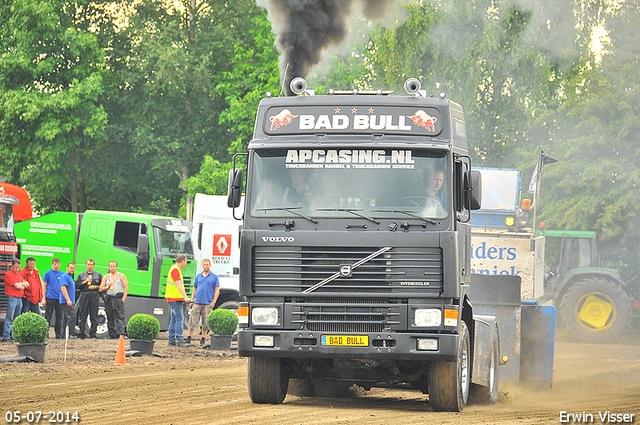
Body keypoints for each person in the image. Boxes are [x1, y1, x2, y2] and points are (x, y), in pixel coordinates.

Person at [187, 258, 220, 347]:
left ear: (210, 265)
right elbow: (194, 288)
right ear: (202, 266)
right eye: (204, 264)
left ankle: (203, 339)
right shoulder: (198, 276)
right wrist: (192, 300)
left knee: (206, 323)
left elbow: (217, 290)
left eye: (207, 264)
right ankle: (188, 338)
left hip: (208, 303)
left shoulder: (214, 277)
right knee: (193, 321)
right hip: (197, 302)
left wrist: (213, 302)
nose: (206, 266)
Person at [164, 254, 191, 347]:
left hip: (172, 298)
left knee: (174, 319)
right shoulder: (175, 270)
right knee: (179, 319)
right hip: (175, 298)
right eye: (186, 261)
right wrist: (185, 296)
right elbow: (178, 284)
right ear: (183, 261)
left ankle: (171, 340)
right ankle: (179, 340)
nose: (186, 264)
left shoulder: (174, 269)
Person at [99, 261, 128, 339]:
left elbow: (126, 287)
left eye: (114, 266)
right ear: (109, 267)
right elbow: (101, 288)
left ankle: (121, 334)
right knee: (110, 316)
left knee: (119, 316)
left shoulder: (121, 276)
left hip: (118, 298)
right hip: (109, 298)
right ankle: (111, 334)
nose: (112, 268)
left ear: (116, 267)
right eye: (111, 266)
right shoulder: (106, 277)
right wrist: (108, 287)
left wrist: (123, 299)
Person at [75, 259, 103, 339]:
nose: (90, 266)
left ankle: (93, 334)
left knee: (93, 316)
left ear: (93, 266)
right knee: (83, 315)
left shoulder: (98, 275)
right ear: (86, 265)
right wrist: (85, 282)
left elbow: (102, 286)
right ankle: (82, 334)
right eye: (88, 264)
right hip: (84, 295)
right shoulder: (81, 275)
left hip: (94, 295)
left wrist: (95, 287)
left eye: (91, 265)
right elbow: (77, 285)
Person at [2, 259, 28, 342]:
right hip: (12, 297)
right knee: (10, 317)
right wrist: (21, 285)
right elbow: (18, 286)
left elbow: (27, 284)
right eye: (16, 267)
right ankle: (6, 336)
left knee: (16, 318)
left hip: (19, 298)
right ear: (12, 266)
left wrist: (21, 285)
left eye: (18, 267)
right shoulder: (9, 275)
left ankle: (13, 335)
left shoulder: (19, 275)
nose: (17, 269)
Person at [43, 258, 65, 339]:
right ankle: (45, 333)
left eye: (58, 264)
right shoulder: (48, 273)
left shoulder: (62, 274)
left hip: (59, 298)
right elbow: (44, 286)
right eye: (55, 264)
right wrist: (43, 298)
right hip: (50, 297)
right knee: (48, 316)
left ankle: (58, 334)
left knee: (59, 316)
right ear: (52, 264)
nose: (56, 266)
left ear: (60, 264)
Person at [59, 262, 78, 339]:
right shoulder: (65, 276)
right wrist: (68, 300)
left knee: (65, 318)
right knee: (72, 317)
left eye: (73, 268)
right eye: (71, 268)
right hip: (66, 301)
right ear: (67, 268)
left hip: (69, 301)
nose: (72, 270)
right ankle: (71, 334)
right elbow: (63, 288)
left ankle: (63, 335)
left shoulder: (70, 277)